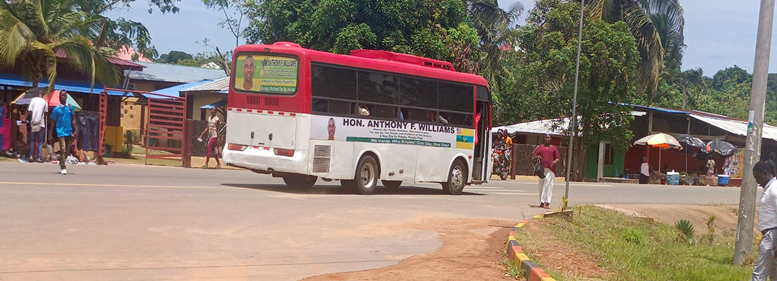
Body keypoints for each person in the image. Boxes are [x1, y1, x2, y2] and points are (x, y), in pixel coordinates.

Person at [750, 160, 777, 281]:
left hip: (772, 236)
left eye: (758, 177)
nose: (757, 181)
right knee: (774, 273)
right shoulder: (770, 187)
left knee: (759, 273)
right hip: (770, 234)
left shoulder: (774, 190)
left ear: (766, 173)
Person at [49, 91, 77, 175]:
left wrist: (75, 130)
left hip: (69, 131)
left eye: (64, 95)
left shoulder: (69, 107)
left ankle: (61, 163)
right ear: (59, 97)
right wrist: (50, 134)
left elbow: (73, 119)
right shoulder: (56, 109)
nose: (63, 97)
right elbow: (53, 122)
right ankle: (63, 167)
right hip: (60, 131)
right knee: (63, 148)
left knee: (67, 151)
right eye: (62, 95)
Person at [533, 134, 559, 209]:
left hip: (550, 169)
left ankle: (547, 202)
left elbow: (558, 158)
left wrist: (555, 162)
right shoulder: (540, 147)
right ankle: (542, 202)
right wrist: (537, 157)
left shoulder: (554, 148)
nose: (547, 139)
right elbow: (535, 156)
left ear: (551, 139)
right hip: (541, 169)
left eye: (548, 138)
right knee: (541, 185)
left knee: (548, 184)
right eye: (546, 138)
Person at [24, 88, 48, 162]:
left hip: (34, 123)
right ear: (42, 95)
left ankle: (31, 156)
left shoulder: (33, 100)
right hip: (41, 124)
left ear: (37, 94)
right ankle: (39, 157)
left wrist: (25, 118)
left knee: (32, 140)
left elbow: (30, 111)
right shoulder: (45, 102)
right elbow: (46, 114)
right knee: (40, 141)